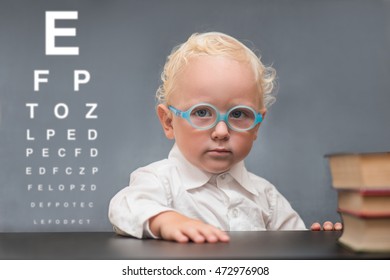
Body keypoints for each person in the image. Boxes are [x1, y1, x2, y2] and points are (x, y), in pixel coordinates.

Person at [108, 32, 341, 243]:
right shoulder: (160, 181)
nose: (221, 132)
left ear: (257, 126)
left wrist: (319, 241)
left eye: (239, 114)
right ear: (169, 122)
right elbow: (124, 207)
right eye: (201, 112)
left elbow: (293, 249)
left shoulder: (265, 195)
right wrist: (166, 220)